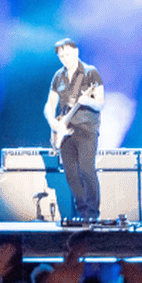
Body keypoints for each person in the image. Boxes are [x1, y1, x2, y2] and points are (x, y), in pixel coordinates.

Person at [43, 37, 104, 222]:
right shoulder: (58, 77)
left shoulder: (90, 73)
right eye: (61, 56)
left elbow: (100, 103)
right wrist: (53, 123)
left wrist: (89, 101)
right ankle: (82, 212)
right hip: (64, 131)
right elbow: (49, 105)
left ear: (76, 52)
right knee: (71, 175)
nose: (65, 58)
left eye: (67, 54)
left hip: (86, 129)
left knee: (86, 170)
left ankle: (93, 215)